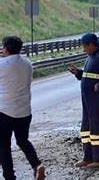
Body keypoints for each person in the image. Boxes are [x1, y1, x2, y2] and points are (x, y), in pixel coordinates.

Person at [67, 33, 99, 168]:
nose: (83, 50)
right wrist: (78, 73)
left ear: (91, 45)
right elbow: (89, 76)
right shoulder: (90, 58)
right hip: (88, 100)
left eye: (84, 46)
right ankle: (88, 157)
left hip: (98, 100)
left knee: (97, 128)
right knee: (86, 128)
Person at [0, 36, 45, 180]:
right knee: (22, 140)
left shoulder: (2, 64)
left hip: (5, 111)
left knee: (4, 145)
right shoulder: (27, 63)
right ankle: (36, 164)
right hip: (25, 111)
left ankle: (9, 176)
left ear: (6, 48)